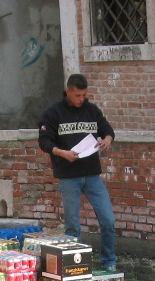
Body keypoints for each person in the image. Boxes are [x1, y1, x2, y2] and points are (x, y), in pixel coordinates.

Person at [38, 73, 117, 270]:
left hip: (92, 174)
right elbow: (44, 141)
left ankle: (109, 263)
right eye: (77, 96)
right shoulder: (53, 113)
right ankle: (75, 267)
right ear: (68, 92)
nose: (81, 99)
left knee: (108, 220)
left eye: (84, 95)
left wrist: (106, 140)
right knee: (73, 227)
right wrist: (62, 153)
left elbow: (107, 129)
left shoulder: (92, 110)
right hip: (68, 176)